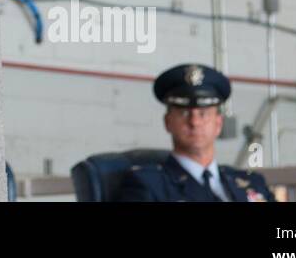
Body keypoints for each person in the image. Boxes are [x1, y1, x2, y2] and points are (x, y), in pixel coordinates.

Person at [116, 63, 276, 202]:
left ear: (218, 123)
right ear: (168, 122)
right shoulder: (149, 183)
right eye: (184, 113)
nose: (195, 122)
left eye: (203, 114)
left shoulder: (252, 182)